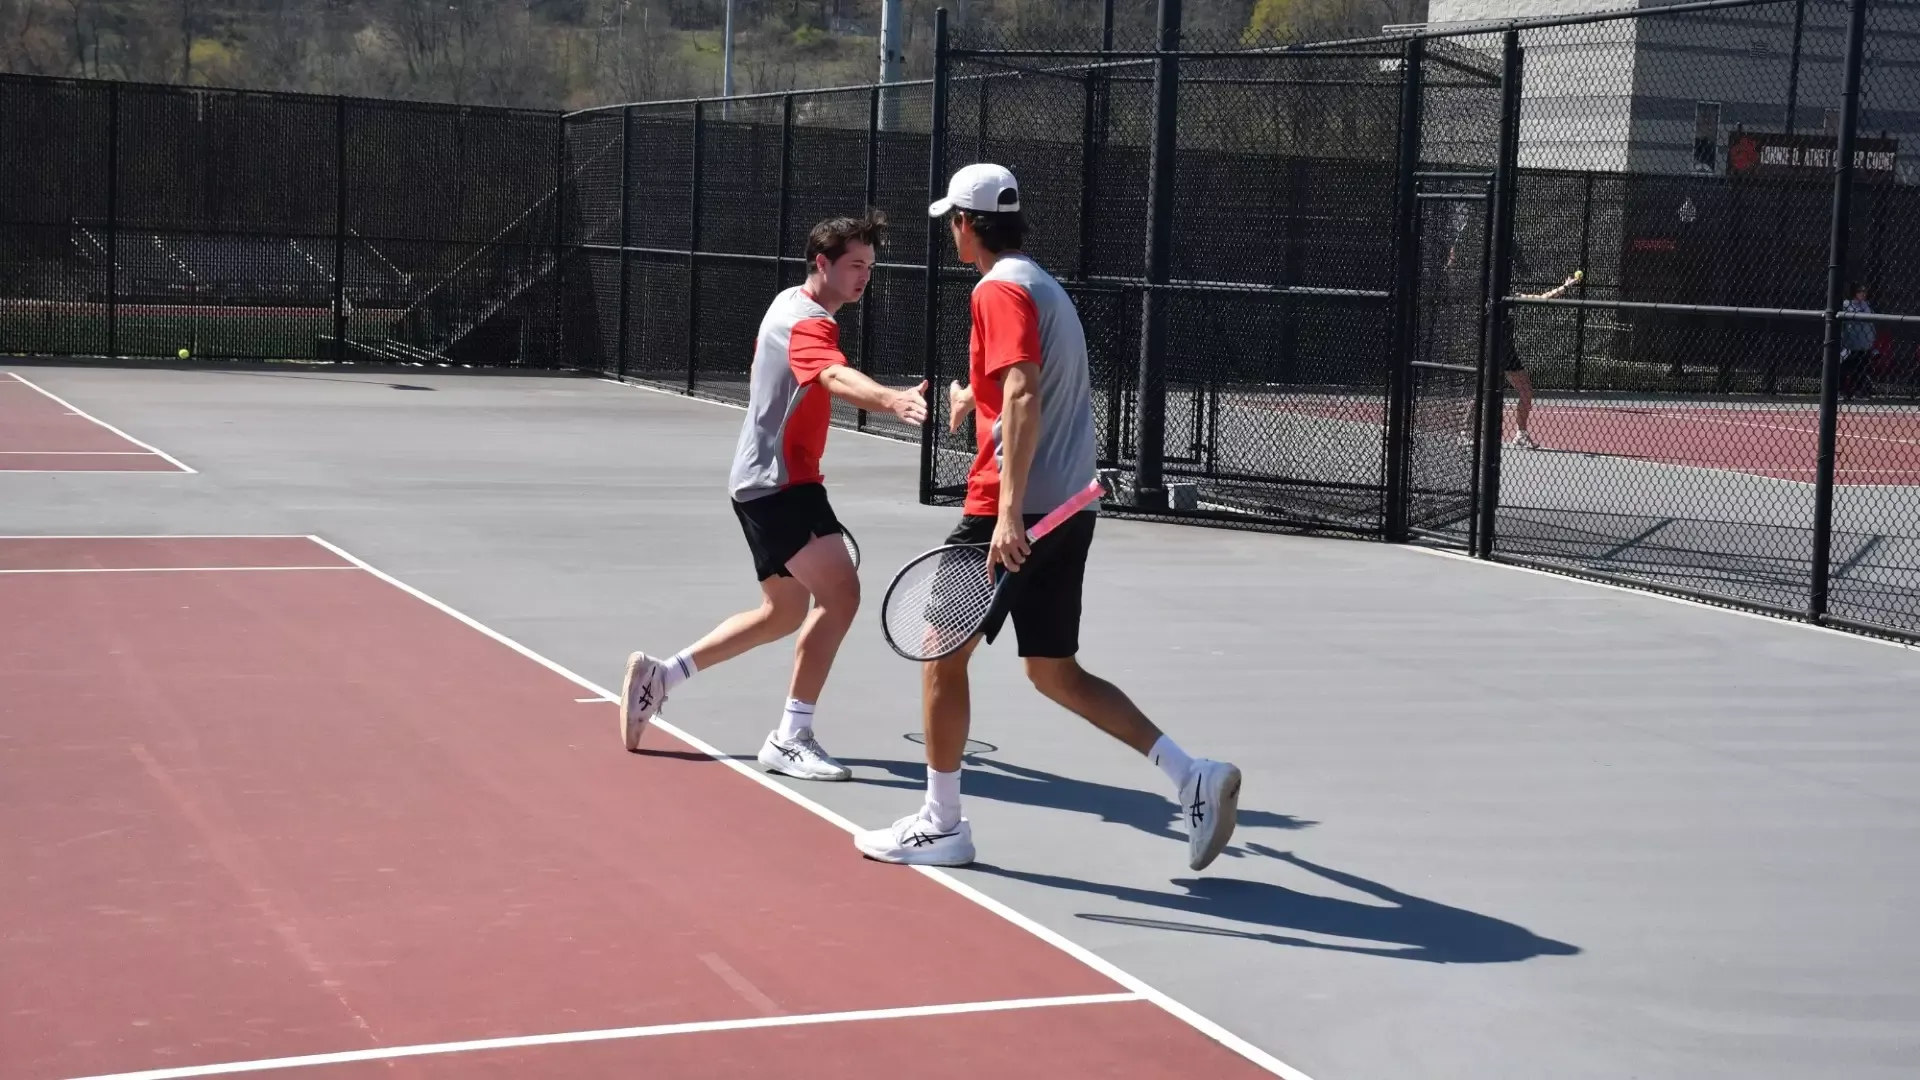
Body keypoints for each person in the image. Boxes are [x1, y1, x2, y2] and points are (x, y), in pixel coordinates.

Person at [852, 163, 1243, 870]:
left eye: (953, 223)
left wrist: (1005, 516)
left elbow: (1027, 392)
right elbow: (1024, 376)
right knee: (1054, 671)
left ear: (967, 225)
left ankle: (942, 824)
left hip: (1016, 511)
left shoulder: (995, 288)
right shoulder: (1039, 283)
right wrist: (975, 395)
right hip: (1070, 506)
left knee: (941, 652)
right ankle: (1193, 775)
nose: (951, 234)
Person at [620, 211, 928, 781]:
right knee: (842, 596)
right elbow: (831, 377)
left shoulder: (787, 302)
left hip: (763, 480)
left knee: (783, 612)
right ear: (822, 263)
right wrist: (891, 400)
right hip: (780, 484)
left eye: (870, 267)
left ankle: (663, 677)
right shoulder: (811, 323)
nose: (864, 277)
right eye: (854, 265)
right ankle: (791, 737)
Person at [1503, 271, 1582, 450]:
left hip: (1508, 353)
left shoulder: (1513, 296)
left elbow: (1541, 298)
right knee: (1482, 392)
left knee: (1526, 391)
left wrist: (1566, 286)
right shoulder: (1491, 297)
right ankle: (1464, 429)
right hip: (1492, 351)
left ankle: (1520, 435)